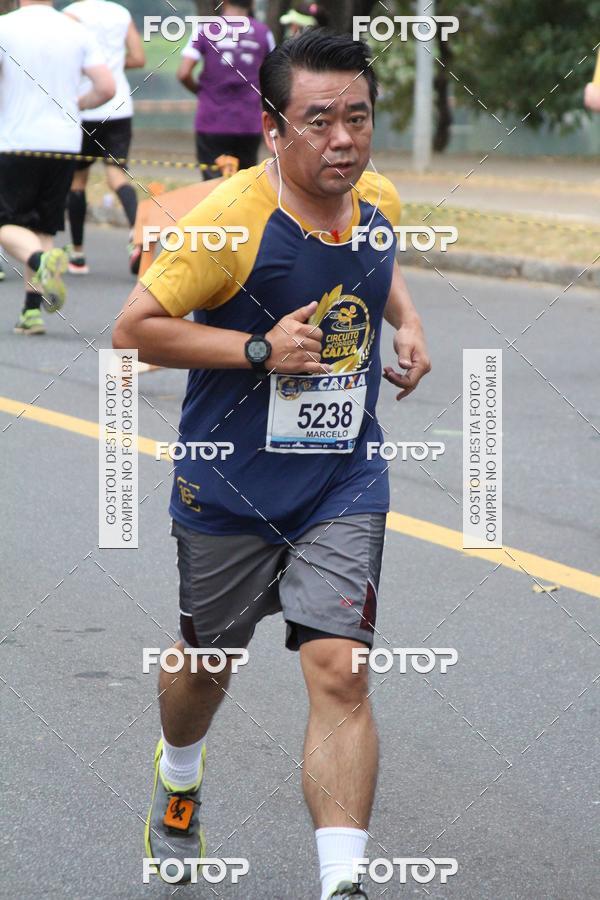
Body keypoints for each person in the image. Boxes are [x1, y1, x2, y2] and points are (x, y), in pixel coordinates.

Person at [114, 29, 431, 900]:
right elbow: (133, 332)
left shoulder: (375, 197)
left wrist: (406, 320)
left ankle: (342, 882)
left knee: (341, 669)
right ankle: (180, 772)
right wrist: (258, 348)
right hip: (230, 484)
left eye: (358, 117)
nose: (343, 139)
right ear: (272, 127)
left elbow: (377, 256)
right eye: (319, 120)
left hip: (342, 476)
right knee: (207, 663)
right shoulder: (227, 223)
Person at [0, 0, 114, 335]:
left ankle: (40, 261)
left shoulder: (5, 26)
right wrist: (79, 104)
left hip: (17, 140)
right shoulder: (76, 30)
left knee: (6, 222)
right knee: (43, 227)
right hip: (64, 141)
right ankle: (31, 312)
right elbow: (106, 87)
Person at [62, 0, 145, 275]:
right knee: (117, 175)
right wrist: (112, 66)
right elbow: (139, 58)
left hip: (84, 106)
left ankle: (78, 255)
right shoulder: (121, 13)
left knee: (78, 180)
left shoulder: (70, 15)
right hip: (119, 106)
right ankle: (138, 236)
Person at [177, 0, 275, 180]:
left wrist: (201, 92)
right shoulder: (263, 32)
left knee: (213, 185)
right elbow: (274, 74)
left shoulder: (205, 29)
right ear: (252, 3)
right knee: (245, 184)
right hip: (249, 123)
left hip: (212, 121)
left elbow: (183, 73)